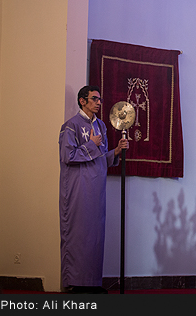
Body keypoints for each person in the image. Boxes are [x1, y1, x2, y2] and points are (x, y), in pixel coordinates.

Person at [59, 85, 129, 294]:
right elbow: (67, 157)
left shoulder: (101, 126)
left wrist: (115, 150)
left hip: (97, 186)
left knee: (95, 235)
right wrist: (90, 144)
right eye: (94, 99)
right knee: (79, 233)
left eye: (99, 99)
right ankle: (77, 283)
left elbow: (102, 158)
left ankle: (92, 283)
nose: (99, 102)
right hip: (79, 188)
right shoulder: (70, 126)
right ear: (82, 101)